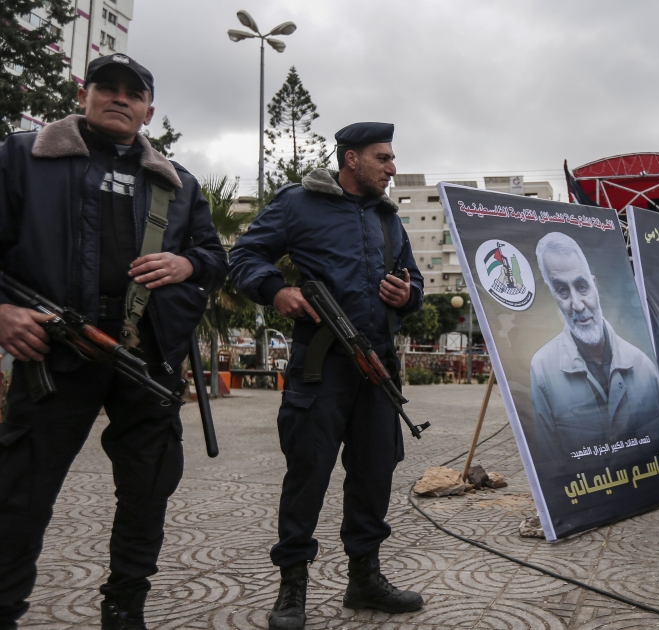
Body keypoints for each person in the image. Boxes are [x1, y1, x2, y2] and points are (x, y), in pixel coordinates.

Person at [0, 55, 227, 630]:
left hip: (143, 356)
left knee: (148, 490)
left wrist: (184, 262)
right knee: (19, 494)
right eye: (108, 87)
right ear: (86, 94)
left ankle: (126, 607)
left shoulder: (175, 182)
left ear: (149, 108)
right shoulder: (23, 157)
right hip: (53, 353)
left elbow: (213, 258)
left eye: (134, 92)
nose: (120, 98)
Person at [229, 122, 424, 628]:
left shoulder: (388, 219)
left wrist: (410, 295)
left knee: (374, 475)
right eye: (383, 157)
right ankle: (292, 586)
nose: (392, 167)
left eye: (393, 157)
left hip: (377, 368)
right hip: (320, 370)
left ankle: (365, 580)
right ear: (351, 159)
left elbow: (413, 278)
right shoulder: (299, 203)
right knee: (308, 474)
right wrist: (275, 290)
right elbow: (244, 255)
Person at [529, 231, 659, 461]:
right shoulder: (543, 369)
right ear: (553, 295)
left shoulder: (644, 366)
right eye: (562, 291)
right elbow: (552, 465)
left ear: (595, 286)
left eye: (582, 286)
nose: (577, 305)